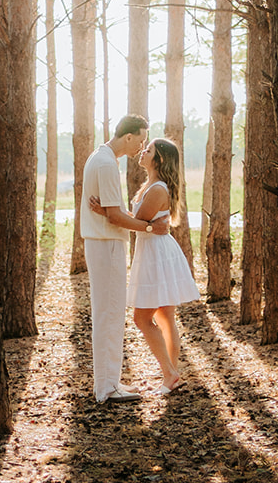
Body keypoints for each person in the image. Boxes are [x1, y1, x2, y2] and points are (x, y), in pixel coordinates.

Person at [91, 135, 200, 394]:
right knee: (164, 316)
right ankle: (171, 376)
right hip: (154, 249)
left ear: (158, 158)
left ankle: (170, 373)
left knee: (143, 318)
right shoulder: (151, 185)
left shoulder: (158, 189)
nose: (143, 151)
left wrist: (107, 213)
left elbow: (135, 222)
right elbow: (143, 222)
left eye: (148, 149)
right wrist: (133, 220)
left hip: (156, 254)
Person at [79, 113, 150, 402]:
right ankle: (107, 388)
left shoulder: (101, 157)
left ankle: (108, 381)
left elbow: (110, 210)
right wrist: (149, 227)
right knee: (109, 314)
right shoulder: (107, 163)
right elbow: (115, 216)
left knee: (108, 312)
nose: (141, 148)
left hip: (101, 242)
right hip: (106, 244)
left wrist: (112, 212)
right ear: (128, 136)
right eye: (140, 140)